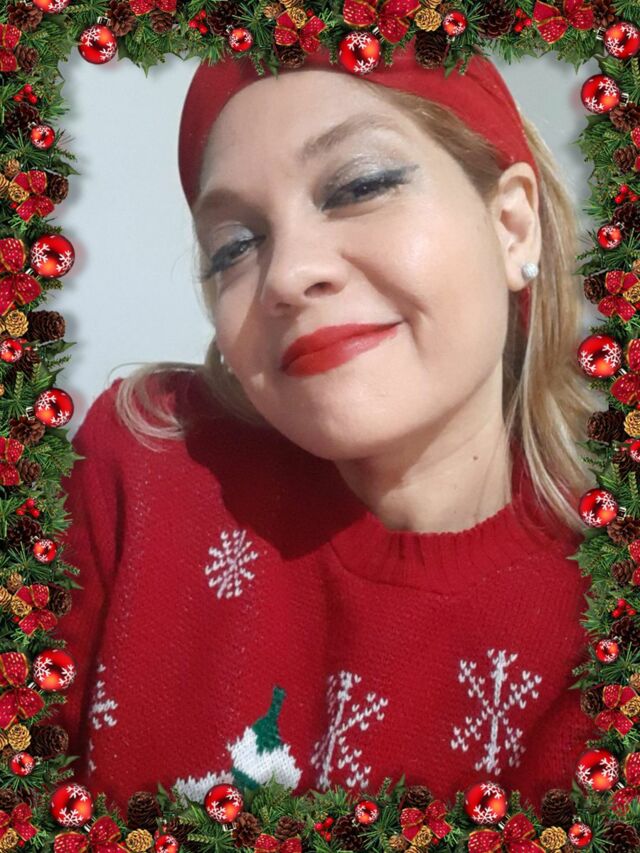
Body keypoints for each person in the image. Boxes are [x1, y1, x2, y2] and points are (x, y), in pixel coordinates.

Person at [56, 39, 601, 821]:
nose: (285, 275)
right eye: (234, 247)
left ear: (513, 227)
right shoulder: (141, 466)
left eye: (359, 186)